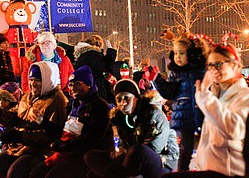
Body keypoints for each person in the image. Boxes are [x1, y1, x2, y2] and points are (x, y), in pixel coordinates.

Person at [163, 40, 249, 178]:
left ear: (234, 65)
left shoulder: (244, 97)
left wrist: (205, 98)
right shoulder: (215, 93)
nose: (214, 70)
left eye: (219, 64)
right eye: (210, 65)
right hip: (208, 169)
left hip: (229, 172)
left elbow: (233, 130)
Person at [0, 61, 68, 178]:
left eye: (38, 80)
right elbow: (15, 118)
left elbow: (52, 136)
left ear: (48, 79)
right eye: (31, 79)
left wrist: (20, 136)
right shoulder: (28, 96)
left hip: (39, 151)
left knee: (15, 173)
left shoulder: (57, 101)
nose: (33, 83)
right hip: (17, 148)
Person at [29, 65, 114, 178]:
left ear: (88, 84)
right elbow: (63, 132)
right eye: (71, 84)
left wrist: (66, 146)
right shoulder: (72, 105)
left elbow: (93, 139)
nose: (73, 88)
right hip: (70, 151)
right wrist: (42, 122)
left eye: (78, 84)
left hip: (90, 156)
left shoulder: (99, 106)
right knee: (36, 172)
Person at [84, 79, 175, 178]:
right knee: (90, 158)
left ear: (136, 98)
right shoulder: (120, 117)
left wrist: (126, 154)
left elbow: (152, 149)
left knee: (138, 149)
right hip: (132, 160)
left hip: (160, 161)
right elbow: (125, 146)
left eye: (127, 98)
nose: (123, 103)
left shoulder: (153, 113)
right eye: (119, 99)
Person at [151, 34, 209, 171]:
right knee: (185, 148)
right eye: (176, 53)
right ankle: (182, 171)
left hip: (202, 112)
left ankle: (207, 169)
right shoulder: (175, 73)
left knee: (206, 145)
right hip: (183, 114)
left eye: (182, 53)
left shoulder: (201, 69)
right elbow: (169, 92)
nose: (178, 57)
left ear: (191, 53)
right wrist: (157, 79)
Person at [21, 32, 74, 96]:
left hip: (61, 95)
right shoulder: (31, 61)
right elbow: (25, 82)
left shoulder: (64, 59)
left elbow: (71, 77)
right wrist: (33, 94)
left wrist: (66, 93)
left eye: (47, 43)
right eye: (41, 43)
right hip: (39, 96)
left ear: (54, 45)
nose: (44, 45)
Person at [74, 34, 117, 101]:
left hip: (85, 88)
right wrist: (110, 52)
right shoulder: (94, 55)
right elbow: (103, 69)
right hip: (96, 89)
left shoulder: (83, 56)